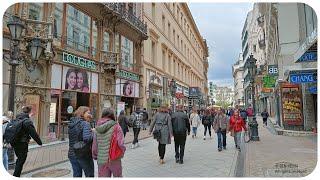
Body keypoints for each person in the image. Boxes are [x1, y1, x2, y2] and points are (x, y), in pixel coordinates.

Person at [92, 108, 126, 177]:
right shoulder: (116, 126)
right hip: (114, 158)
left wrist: (95, 155)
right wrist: (122, 153)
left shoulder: (97, 127)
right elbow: (121, 144)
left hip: (101, 159)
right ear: (112, 116)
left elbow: (95, 145)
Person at [11, 106, 42, 177]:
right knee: (21, 161)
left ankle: (16, 174)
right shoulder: (27, 121)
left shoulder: (18, 118)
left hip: (15, 142)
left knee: (19, 159)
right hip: (22, 143)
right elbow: (34, 134)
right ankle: (16, 175)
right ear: (29, 112)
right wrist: (39, 142)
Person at [68, 106, 94, 177]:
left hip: (72, 153)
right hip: (83, 154)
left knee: (77, 175)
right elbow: (87, 138)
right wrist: (94, 133)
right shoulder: (85, 124)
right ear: (83, 113)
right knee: (89, 175)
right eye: (88, 113)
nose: (90, 115)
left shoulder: (71, 123)